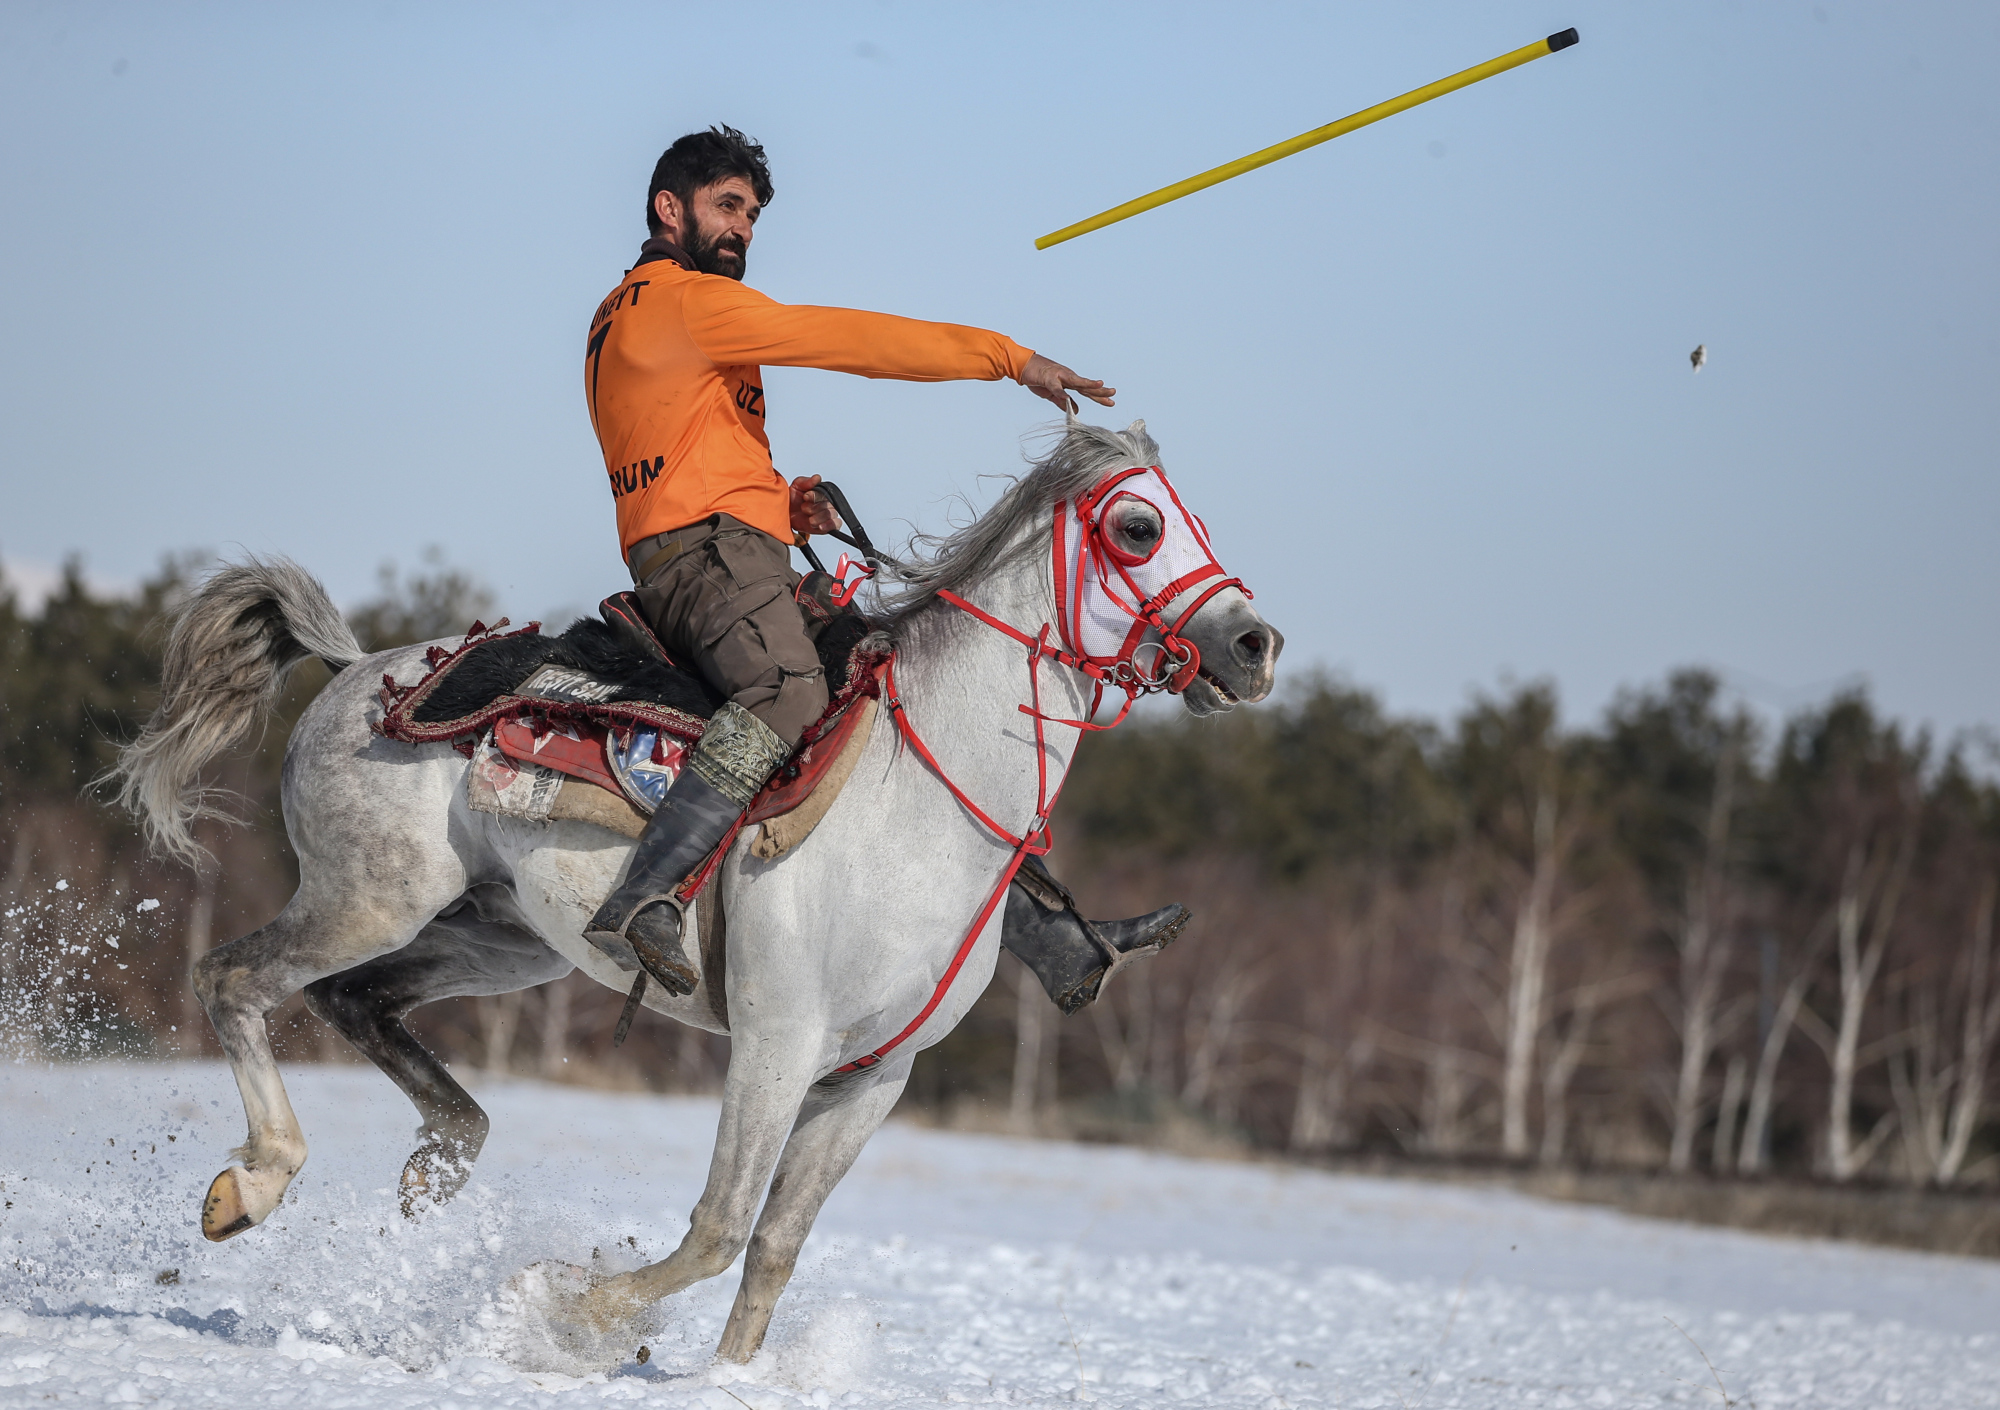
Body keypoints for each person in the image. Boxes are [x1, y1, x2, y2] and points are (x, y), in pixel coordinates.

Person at [581, 124, 1185, 1013]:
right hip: (707, 561)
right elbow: (849, 339)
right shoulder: (684, 301)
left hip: (714, 546)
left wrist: (782, 504)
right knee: (788, 692)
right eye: (727, 206)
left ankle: (1050, 933)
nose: (743, 227)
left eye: (750, 212)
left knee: (904, 697)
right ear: (669, 210)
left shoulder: (625, 314)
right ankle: (641, 897)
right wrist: (1008, 359)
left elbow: (669, 452)